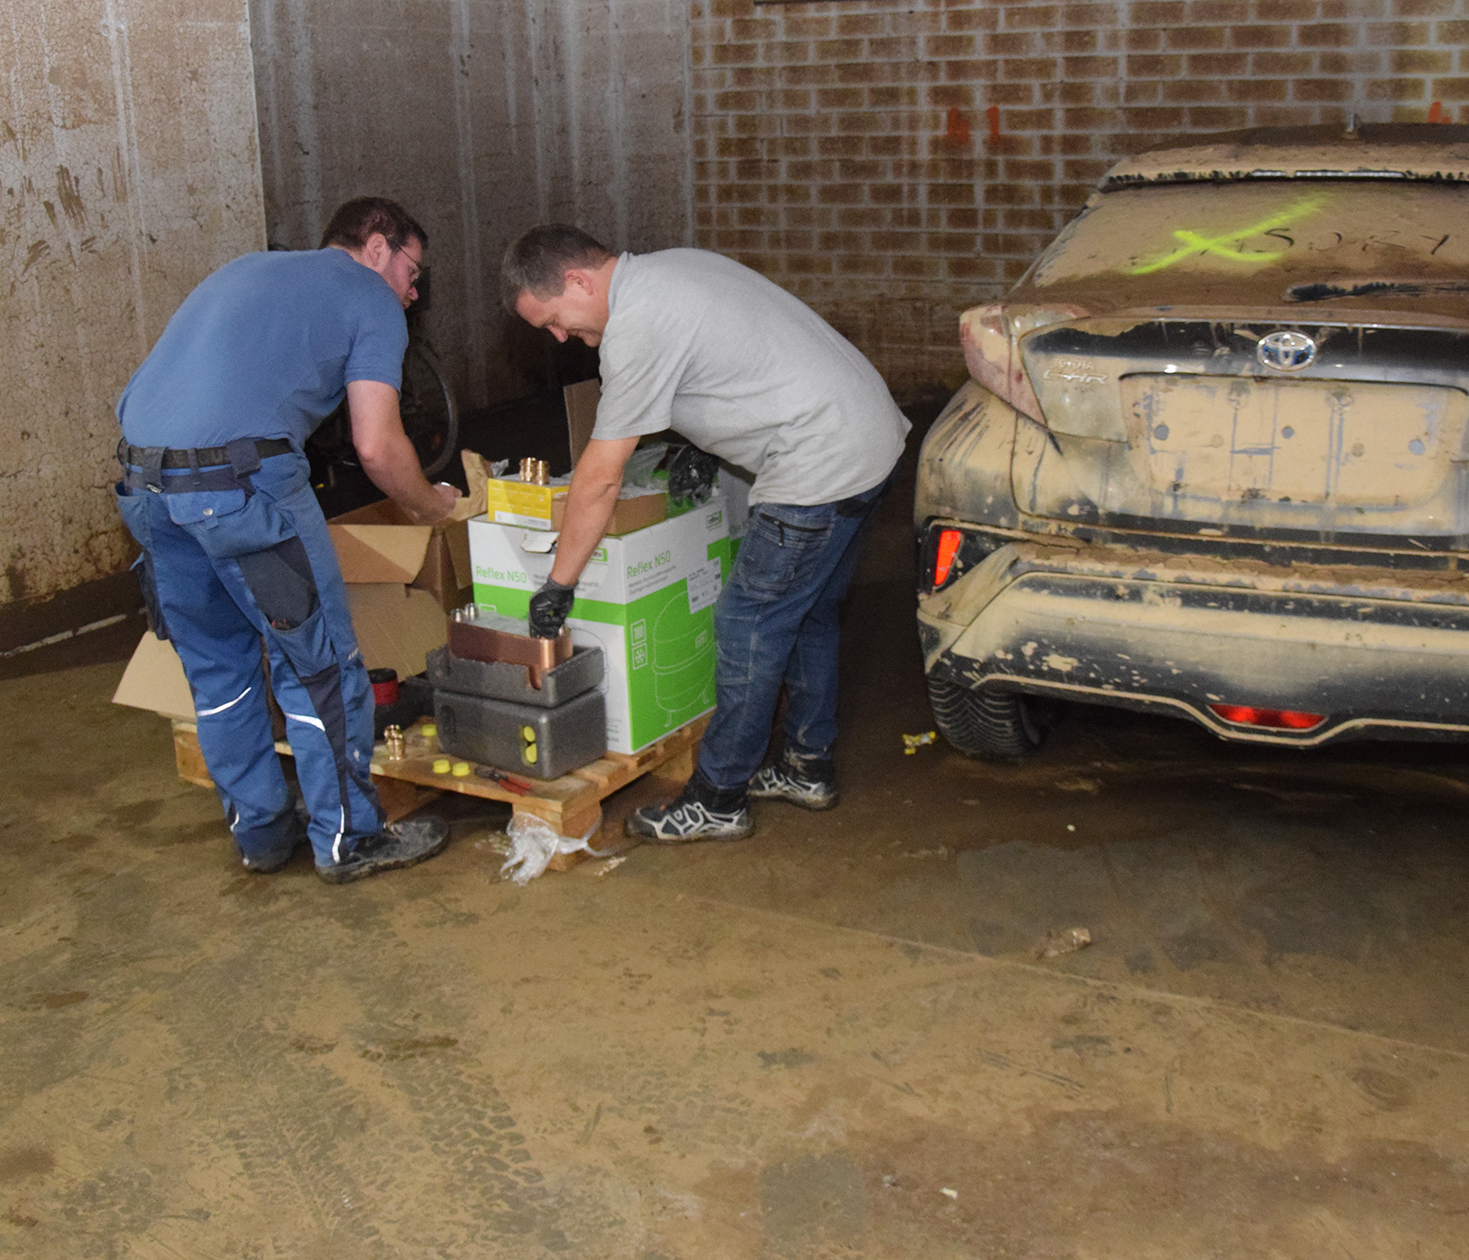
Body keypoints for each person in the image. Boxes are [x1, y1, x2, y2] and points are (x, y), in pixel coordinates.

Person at [498, 225, 909, 843]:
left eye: (554, 318)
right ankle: (806, 765)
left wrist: (558, 582)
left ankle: (719, 796)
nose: (559, 337)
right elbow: (735, 358)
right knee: (810, 611)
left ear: (578, 280)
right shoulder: (673, 267)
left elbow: (598, 480)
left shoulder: (634, 327)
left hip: (817, 463)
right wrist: (704, 441)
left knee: (748, 623)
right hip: (867, 435)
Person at [113, 197, 462, 883]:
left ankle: (262, 833)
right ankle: (349, 840)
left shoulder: (249, 269)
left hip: (144, 487)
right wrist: (429, 506)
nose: (413, 292)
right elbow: (376, 444)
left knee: (217, 670)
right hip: (240, 491)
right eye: (412, 272)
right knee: (321, 668)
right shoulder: (369, 297)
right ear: (377, 245)